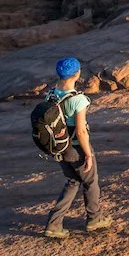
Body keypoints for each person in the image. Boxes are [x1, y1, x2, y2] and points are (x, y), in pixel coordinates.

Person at [44, 57, 111, 238]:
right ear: (77, 74)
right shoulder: (78, 99)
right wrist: (88, 155)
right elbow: (81, 131)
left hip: (59, 147)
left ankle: (54, 224)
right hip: (76, 148)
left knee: (73, 181)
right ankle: (94, 219)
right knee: (90, 181)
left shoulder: (50, 94)